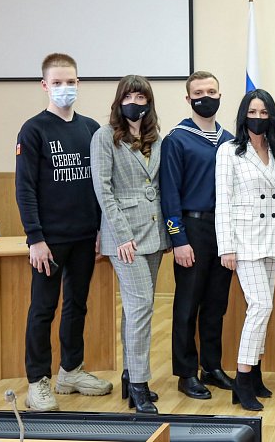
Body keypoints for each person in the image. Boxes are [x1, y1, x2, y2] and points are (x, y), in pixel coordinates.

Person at [15, 53, 113, 411]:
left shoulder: (90, 129)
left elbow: (101, 185)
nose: (64, 88)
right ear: (45, 85)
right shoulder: (33, 130)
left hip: (85, 236)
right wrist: (35, 239)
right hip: (50, 240)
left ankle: (71, 371)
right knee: (43, 309)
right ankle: (37, 381)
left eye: (70, 82)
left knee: (77, 305)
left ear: (78, 83)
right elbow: (25, 189)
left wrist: (101, 230)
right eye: (57, 82)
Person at [91, 75, 169, 414]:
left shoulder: (156, 138)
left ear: (149, 102)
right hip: (124, 237)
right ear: (119, 100)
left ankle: (129, 374)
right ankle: (139, 384)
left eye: (141, 97)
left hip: (153, 234)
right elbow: (104, 190)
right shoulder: (105, 136)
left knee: (136, 308)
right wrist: (122, 235)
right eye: (129, 96)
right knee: (141, 307)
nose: (134, 103)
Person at [160, 71, 235, 400]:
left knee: (217, 303)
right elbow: (169, 194)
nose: (206, 97)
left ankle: (212, 366)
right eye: (199, 93)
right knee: (188, 304)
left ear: (220, 95)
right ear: (188, 98)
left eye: (212, 92)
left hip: (223, 230)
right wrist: (178, 239)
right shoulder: (176, 139)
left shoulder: (229, 140)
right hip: (192, 228)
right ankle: (186, 372)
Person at [215, 89, 275, 411]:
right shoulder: (229, 151)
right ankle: (241, 379)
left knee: (263, 309)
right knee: (260, 306)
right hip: (243, 242)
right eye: (252, 112)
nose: (258, 118)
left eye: (264, 112)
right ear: (244, 115)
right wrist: (226, 247)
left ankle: (255, 374)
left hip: (270, 238)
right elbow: (223, 201)